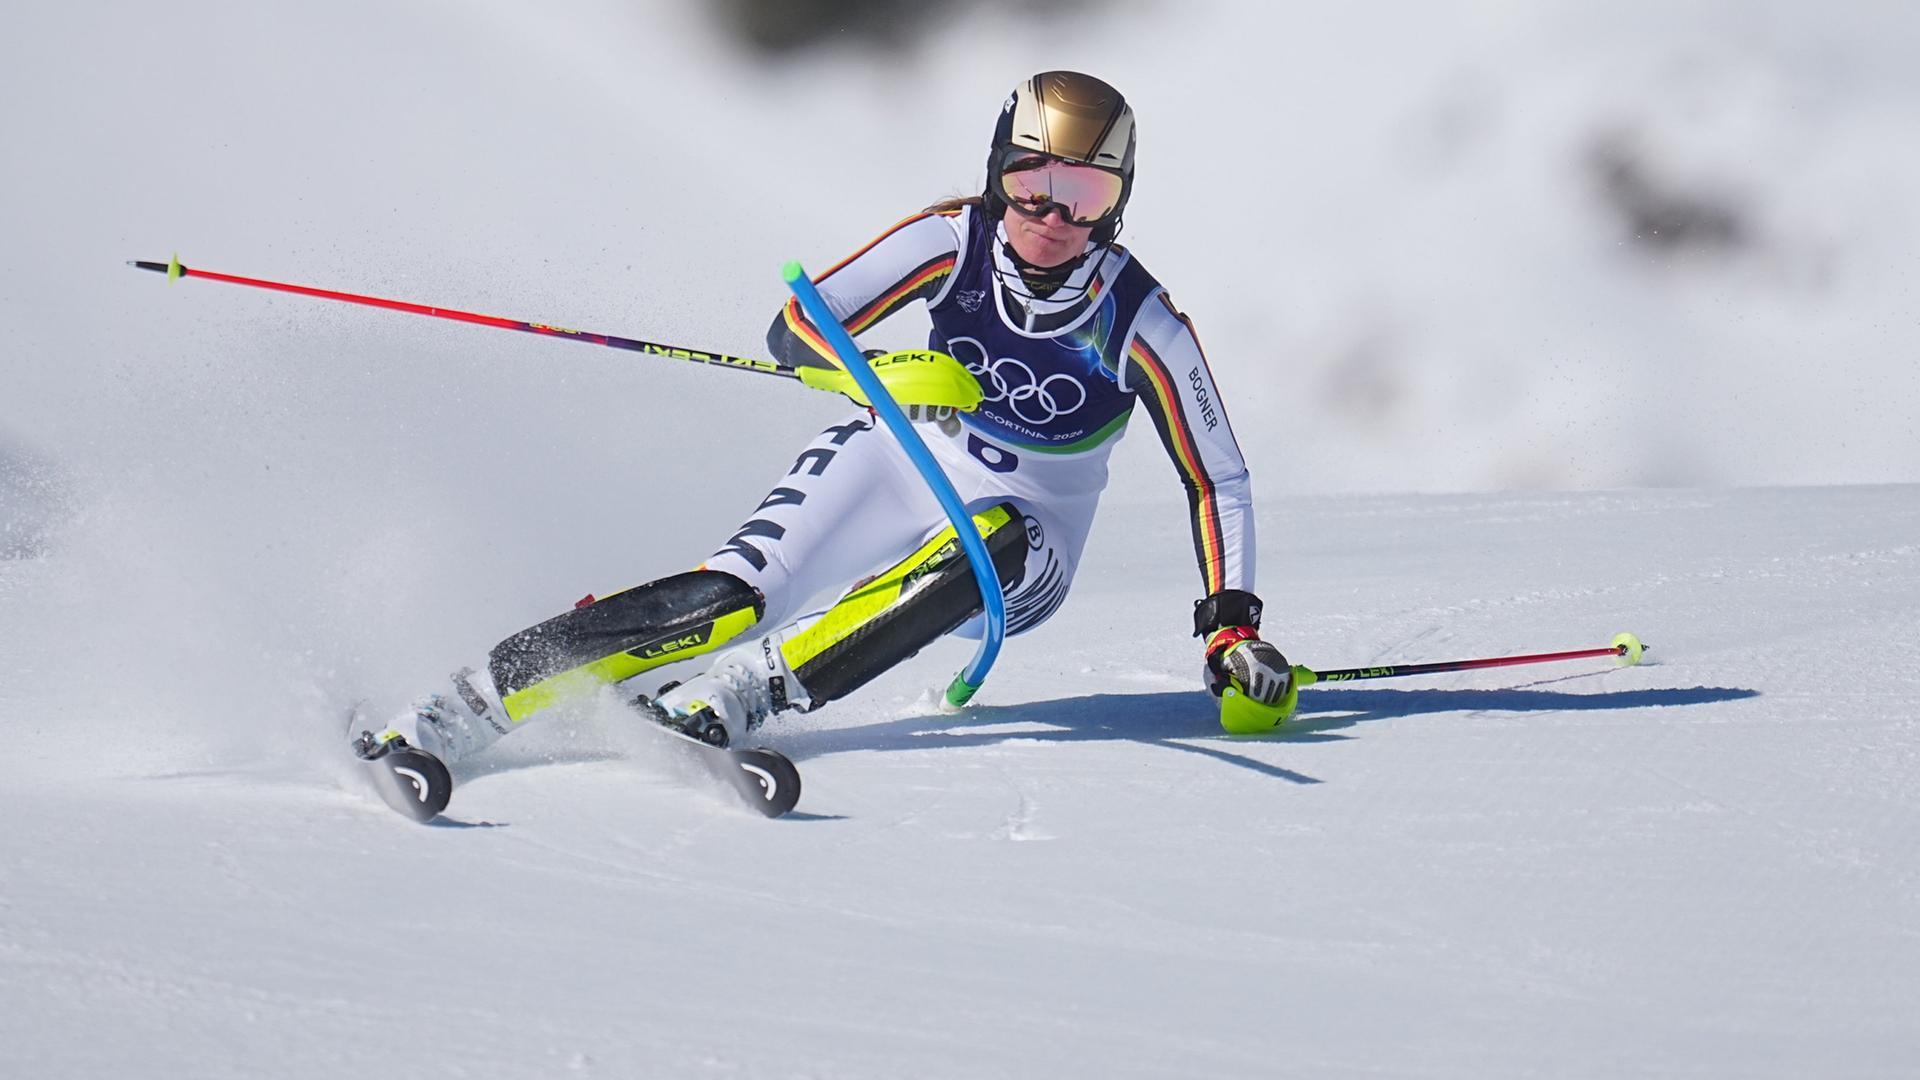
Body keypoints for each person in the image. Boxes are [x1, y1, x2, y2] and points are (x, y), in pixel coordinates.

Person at [366, 71, 1295, 774]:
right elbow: (799, 324)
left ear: (1119, 204)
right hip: (901, 456)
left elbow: (1219, 478)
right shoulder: (953, 238)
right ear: (996, 175)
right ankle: (467, 702)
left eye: (1085, 197)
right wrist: (882, 369)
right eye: (1031, 184)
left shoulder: (1141, 321)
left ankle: (738, 697)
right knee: (729, 599)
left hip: (1032, 534)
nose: (1052, 218)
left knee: (991, 540)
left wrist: (1231, 628)